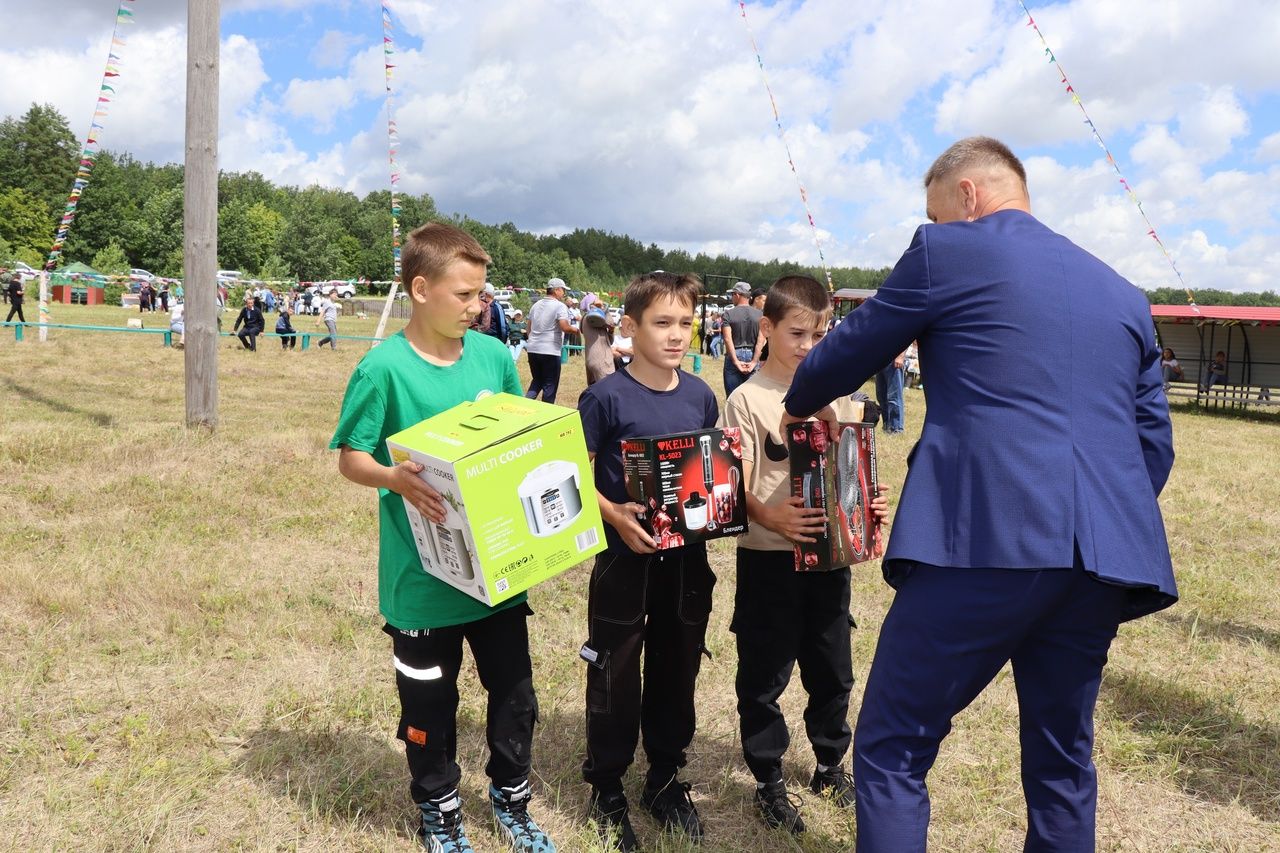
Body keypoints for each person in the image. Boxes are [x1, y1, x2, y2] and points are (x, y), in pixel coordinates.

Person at [782, 137, 1177, 853]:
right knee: (1063, 761)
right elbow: (1154, 445)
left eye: (937, 212)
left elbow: (840, 359)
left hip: (985, 536)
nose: (933, 226)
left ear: (966, 195)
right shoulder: (1122, 292)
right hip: (1102, 558)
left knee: (894, 744)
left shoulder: (943, 251)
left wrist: (800, 394)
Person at [331, 222, 556, 853]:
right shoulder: (382, 369)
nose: (477, 307)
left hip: (498, 575)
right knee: (427, 705)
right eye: (464, 295)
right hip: (421, 583)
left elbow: (516, 437)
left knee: (515, 697)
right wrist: (395, 479)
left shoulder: (491, 357)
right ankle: (440, 811)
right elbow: (351, 458)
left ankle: (512, 803)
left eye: (481, 294)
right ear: (421, 288)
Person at [722, 275, 888, 834]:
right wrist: (771, 515)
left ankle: (828, 762)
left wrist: (866, 503)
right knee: (764, 673)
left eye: (819, 335)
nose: (808, 347)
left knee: (832, 668)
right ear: (765, 329)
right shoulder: (746, 400)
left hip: (830, 564)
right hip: (768, 560)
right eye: (797, 333)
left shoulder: (837, 398)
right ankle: (768, 776)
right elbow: (730, 488)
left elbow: (850, 474)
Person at [577, 272, 719, 851]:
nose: (676, 335)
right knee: (614, 668)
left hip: (687, 562)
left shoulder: (701, 394)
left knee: (677, 666)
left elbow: (709, 473)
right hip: (624, 560)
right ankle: (607, 785)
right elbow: (574, 478)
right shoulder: (604, 396)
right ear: (630, 329)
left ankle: (664, 777)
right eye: (662, 323)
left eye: (685, 323)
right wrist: (614, 514)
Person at [525, 278, 577, 404]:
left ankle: (524, 404)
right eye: (563, 290)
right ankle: (546, 416)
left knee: (537, 381)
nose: (564, 293)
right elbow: (564, 326)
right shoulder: (560, 306)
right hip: (550, 351)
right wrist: (576, 330)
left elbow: (528, 329)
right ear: (557, 290)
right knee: (550, 386)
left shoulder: (535, 305)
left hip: (533, 349)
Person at [722, 282, 764, 397]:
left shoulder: (728, 314)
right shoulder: (760, 315)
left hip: (734, 354)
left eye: (732, 295)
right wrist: (755, 361)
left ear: (737, 294)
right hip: (752, 355)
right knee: (750, 398)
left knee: (732, 398)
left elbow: (727, 338)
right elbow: (761, 339)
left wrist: (735, 361)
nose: (732, 298)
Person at [579, 292, 616, 387]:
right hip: (602, 360)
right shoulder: (594, 317)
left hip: (590, 359)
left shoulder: (584, 319)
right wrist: (604, 307)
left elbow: (609, 340)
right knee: (608, 388)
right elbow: (611, 323)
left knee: (593, 390)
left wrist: (610, 331)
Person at [874, 351, 907, 434]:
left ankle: (896, 428)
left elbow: (905, 339)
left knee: (894, 397)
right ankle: (887, 426)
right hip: (881, 359)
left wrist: (900, 356)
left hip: (894, 359)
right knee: (881, 396)